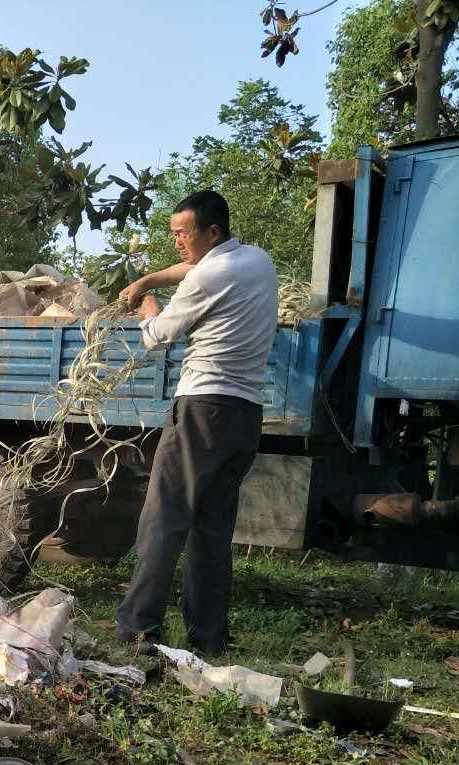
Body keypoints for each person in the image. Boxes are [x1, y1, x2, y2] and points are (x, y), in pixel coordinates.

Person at [114, 191, 278, 655]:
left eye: (183, 234)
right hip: (245, 416)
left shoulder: (207, 277)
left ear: (213, 232)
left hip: (202, 410)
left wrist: (147, 304)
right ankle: (208, 638)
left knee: (163, 519)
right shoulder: (257, 261)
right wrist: (148, 277)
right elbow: (192, 269)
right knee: (212, 530)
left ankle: (139, 629)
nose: (178, 242)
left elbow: (157, 337)